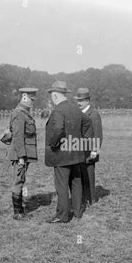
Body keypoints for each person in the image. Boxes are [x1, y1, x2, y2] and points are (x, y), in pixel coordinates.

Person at [45, 81, 92, 223]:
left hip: (61, 155)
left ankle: (62, 215)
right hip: (77, 153)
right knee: (76, 182)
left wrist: (53, 144)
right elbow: (88, 122)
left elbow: (58, 130)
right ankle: (78, 212)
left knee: (62, 185)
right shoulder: (76, 109)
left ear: (54, 96)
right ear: (65, 94)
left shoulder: (58, 111)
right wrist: (80, 139)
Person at [6, 88, 38, 220]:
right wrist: (21, 158)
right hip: (21, 154)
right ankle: (18, 213)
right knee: (18, 180)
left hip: (24, 153)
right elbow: (18, 137)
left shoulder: (24, 112)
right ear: (24, 96)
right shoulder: (20, 113)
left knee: (20, 179)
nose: (32, 102)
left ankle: (19, 209)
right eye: (31, 99)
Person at [74, 88, 103, 206]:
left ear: (87, 101)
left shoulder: (94, 114)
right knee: (80, 174)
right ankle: (83, 198)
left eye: (81, 100)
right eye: (78, 100)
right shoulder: (78, 113)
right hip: (79, 150)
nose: (79, 103)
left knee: (89, 175)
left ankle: (91, 199)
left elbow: (98, 134)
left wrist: (95, 151)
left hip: (90, 150)